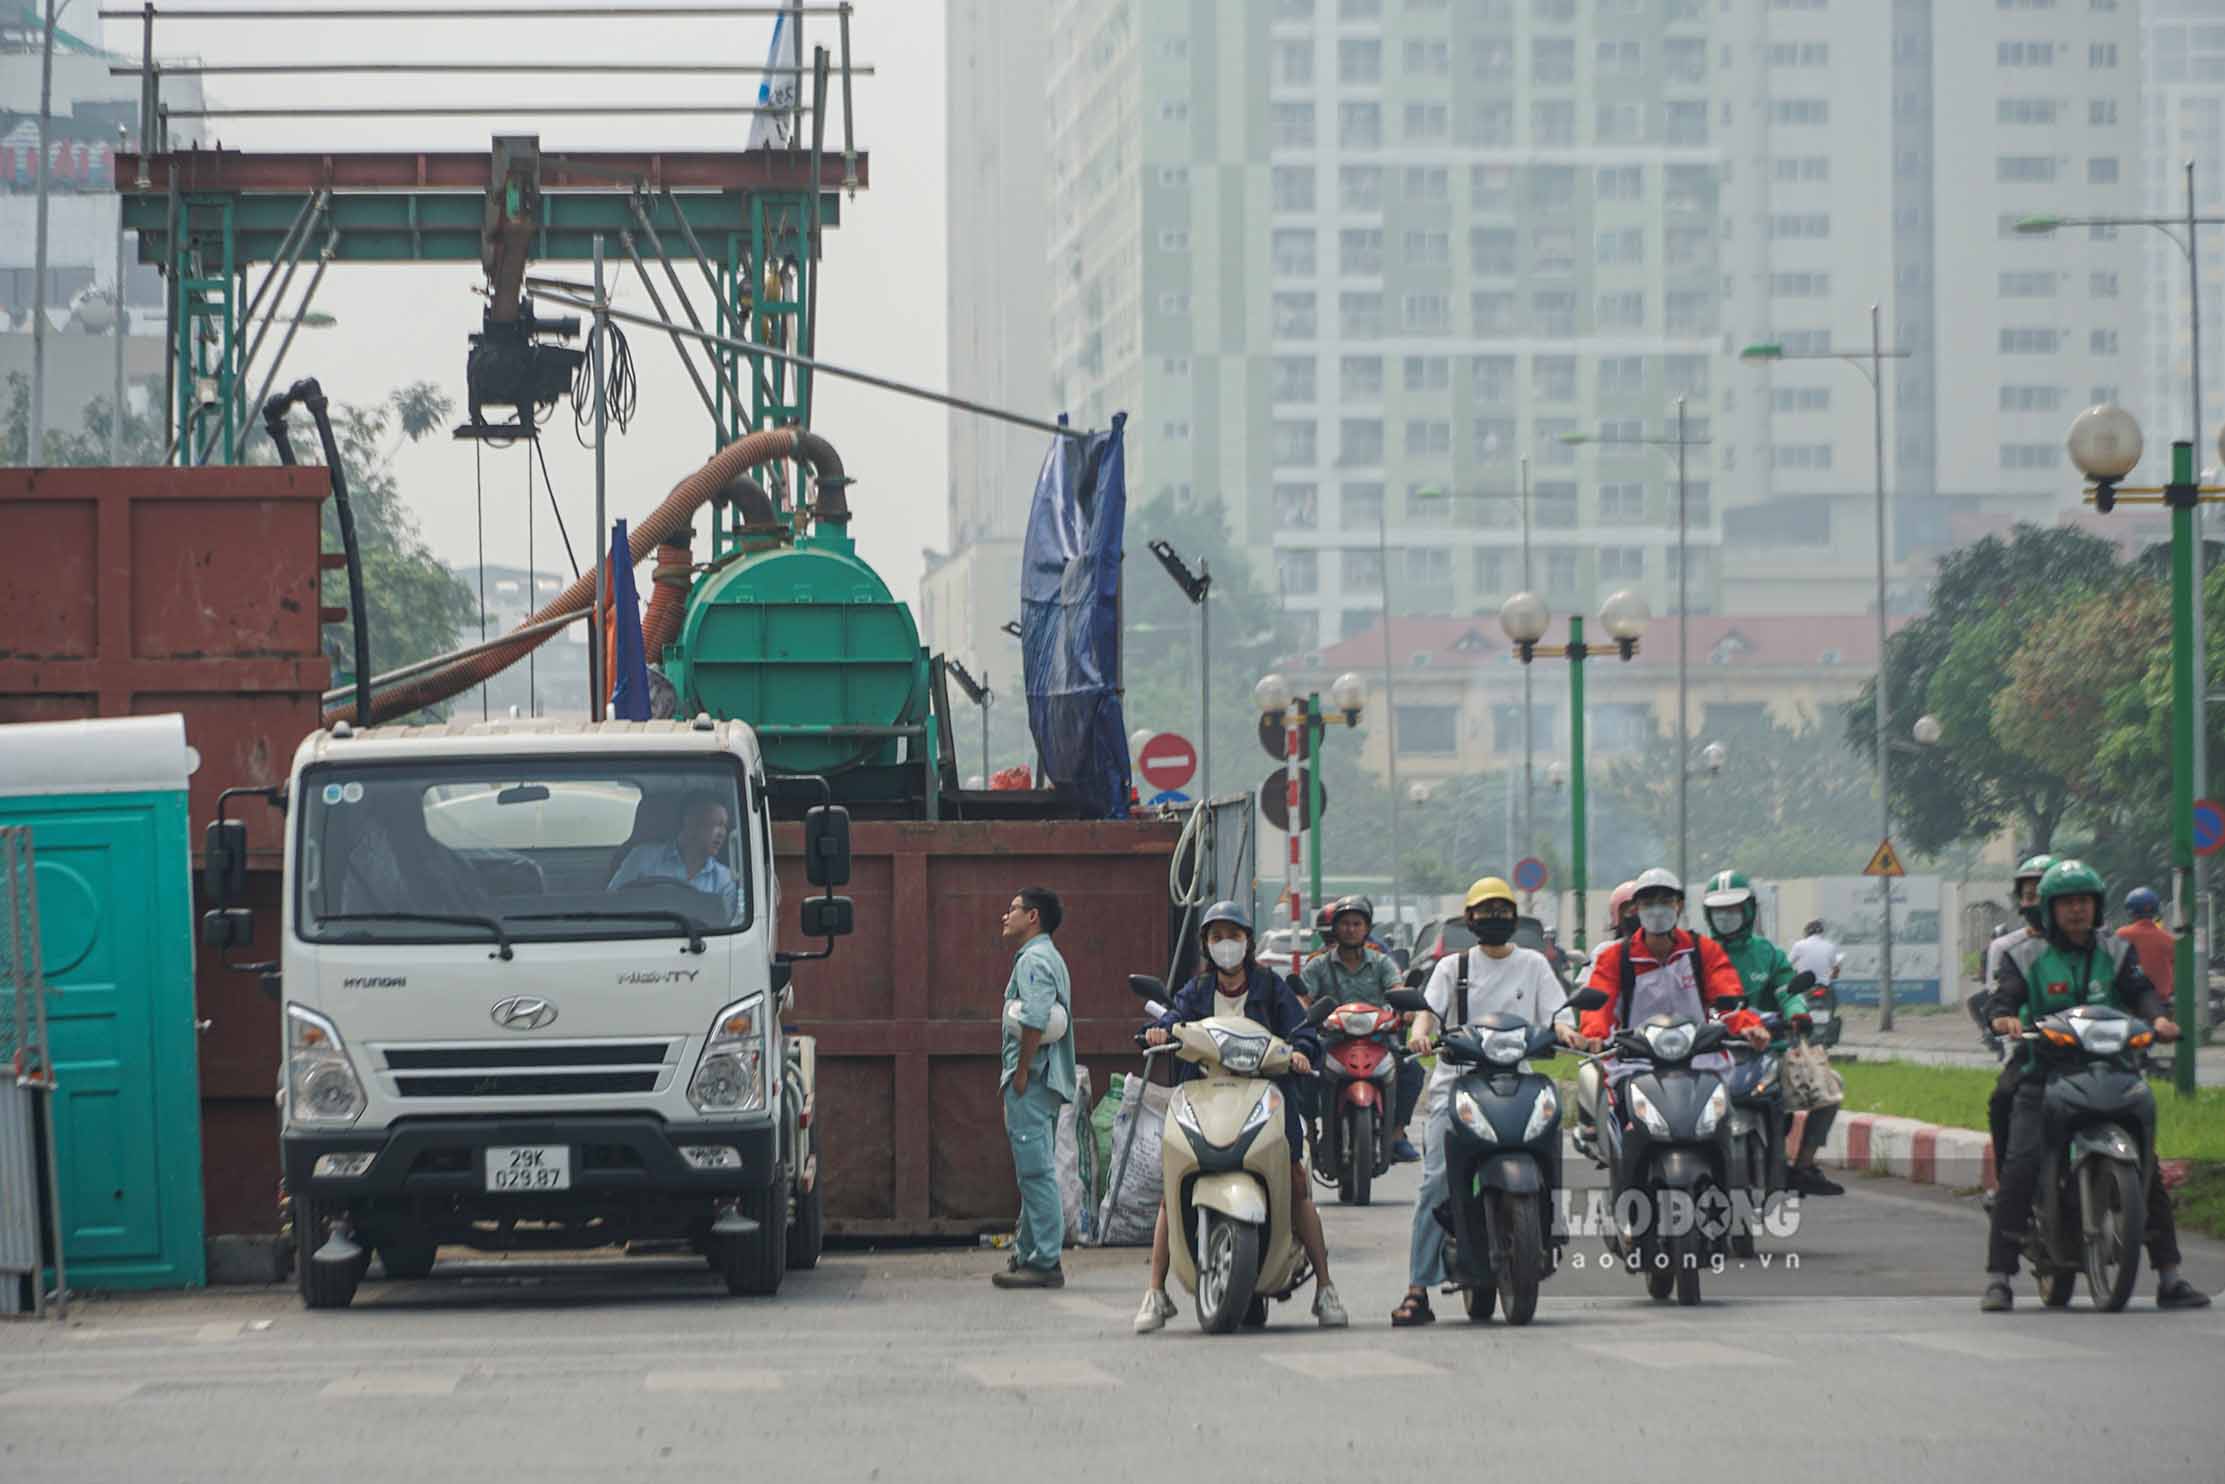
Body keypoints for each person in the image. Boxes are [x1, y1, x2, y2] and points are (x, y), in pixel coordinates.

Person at [1980, 859, 2209, 1312]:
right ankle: (1999, 1277)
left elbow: (2141, 991)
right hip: (2043, 1072)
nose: (2077, 911)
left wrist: (2159, 1018)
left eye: (2084, 901)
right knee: (2021, 1165)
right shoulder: (2024, 956)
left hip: (2112, 1069)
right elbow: (2004, 996)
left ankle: (2169, 1277)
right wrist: (2003, 1017)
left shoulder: (2117, 952)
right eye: (2067, 903)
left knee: (2150, 1166)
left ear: (2098, 905)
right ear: (2049, 909)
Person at [1133, 900, 1349, 1333]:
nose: (1225, 945)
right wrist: (1159, 1031)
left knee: (1295, 1180)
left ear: (1248, 941)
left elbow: (1302, 1031)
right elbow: (1175, 1019)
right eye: (1217, 937)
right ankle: (1155, 1292)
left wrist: (1303, 1053)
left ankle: (1326, 1288)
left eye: (1233, 936)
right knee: (1171, 1184)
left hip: (1266, 1093)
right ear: (1206, 945)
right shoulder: (1195, 991)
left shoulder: (1270, 987)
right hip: (1204, 1094)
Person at [1392, 877, 1581, 1326]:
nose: (1494, 918)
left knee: (1550, 1143)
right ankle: (1418, 1288)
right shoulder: (1451, 967)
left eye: (1503, 910)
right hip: (1457, 1084)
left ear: (1515, 918)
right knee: (1435, 1180)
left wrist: (1568, 1032)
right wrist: (1420, 1037)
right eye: (1485, 911)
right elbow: (1427, 1014)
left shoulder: (1534, 964)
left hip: (1519, 1080)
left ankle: (1549, 1224)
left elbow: (1558, 1015)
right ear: (1470, 919)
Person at [1575, 868, 1766, 1151]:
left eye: (1665, 900)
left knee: (1722, 1125)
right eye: (1648, 902)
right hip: (1635, 1060)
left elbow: (1727, 994)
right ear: (1636, 909)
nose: (1657, 909)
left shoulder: (1703, 951)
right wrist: (1593, 1033)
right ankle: (1624, 1180)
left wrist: (1748, 1025)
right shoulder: (1617, 956)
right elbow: (1599, 1000)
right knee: (1623, 1126)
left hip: (1698, 1057)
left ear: (1679, 905)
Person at [1701, 870, 1842, 1196]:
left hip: (1766, 1050)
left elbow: (1786, 991)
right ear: (1709, 913)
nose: (1726, 917)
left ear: (1749, 910)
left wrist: (1797, 1014)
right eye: (1719, 910)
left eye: (1734, 909)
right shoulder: (1700, 953)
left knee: (1830, 1087)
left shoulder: (1768, 954)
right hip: (1711, 1052)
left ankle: (1803, 1164)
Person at [992, 887, 1076, 1290]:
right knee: (1032, 1170)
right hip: (1048, 1079)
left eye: (1012, 909)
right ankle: (1027, 1252)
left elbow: (1037, 1017)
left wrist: (1022, 1071)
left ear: (1033, 917)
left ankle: (1045, 1261)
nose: (1005, 916)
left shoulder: (1035, 961)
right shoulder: (1048, 956)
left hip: (1034, 1078)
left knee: (1036, 1171)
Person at [1301, 894, 1423, 1163]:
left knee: (1412, 1069)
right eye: (1345, 924)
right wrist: (1304, 1013)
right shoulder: (1318, 965)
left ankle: (1397, 1134)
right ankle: (1310, 1133)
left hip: (1378, 1039)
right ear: (1335, 929)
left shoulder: (1382, 962)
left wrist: (1406, 1009)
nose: (1351, 929)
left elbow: (1396, 988)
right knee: (1304, 1070)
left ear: (1367, 929)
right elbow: (1303, 999)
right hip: (1332, 1040)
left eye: (1357, 924)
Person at [1980, 854, 2055, 1196]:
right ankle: (2008, 1189)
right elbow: (2001, 994)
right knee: (2003, 1100)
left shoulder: (2101, 943)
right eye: (2031, 893)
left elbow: (2132, 989)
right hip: (2035, 1050)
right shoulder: (2012, 950)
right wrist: (2003, 1020)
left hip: (2093, 1050)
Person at [607, 792, 741, 922]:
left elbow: (727, 929)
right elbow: (612, 903)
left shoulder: (725, 879)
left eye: (724, 826)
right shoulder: (642, 857)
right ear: (690, 822)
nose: (722, 833)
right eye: (717, 824)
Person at [2116, 886, 2175, 1005]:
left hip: (2132, 1005)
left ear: (2129, 911)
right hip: (2163, 1004)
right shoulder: (2169, 940)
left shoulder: (2121, 935)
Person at [1786, 918, 1843, 990]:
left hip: (1804, 986)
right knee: (1832, 999)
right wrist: (1832, 977)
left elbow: (1787, 964)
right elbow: (1836, 969)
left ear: (1807, 932)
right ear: (1821, 932)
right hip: (1823, 985)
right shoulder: (1830, 946)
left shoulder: (1799, 945)